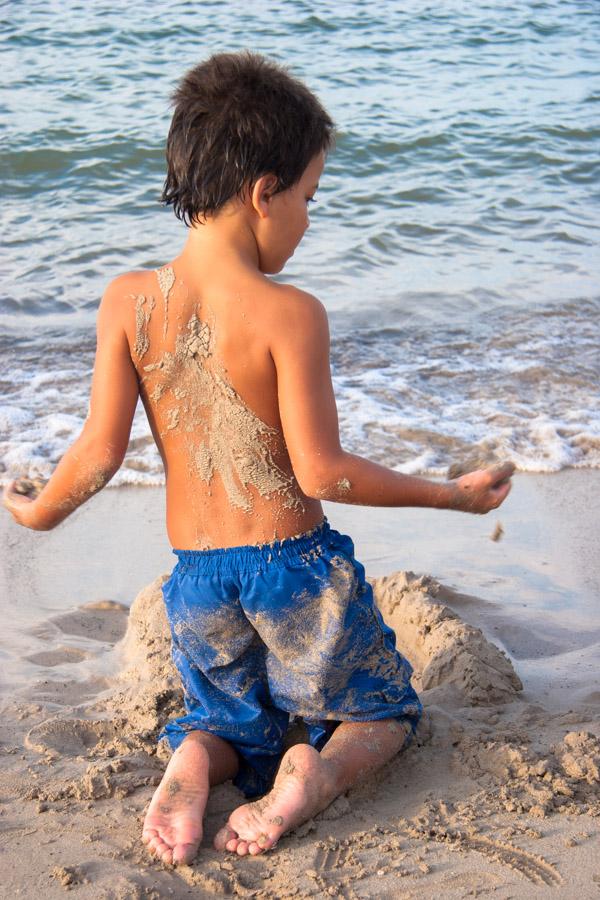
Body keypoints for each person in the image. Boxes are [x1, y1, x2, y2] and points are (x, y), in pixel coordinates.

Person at [3, 51, 513, 866]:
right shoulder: (290, 313)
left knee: (227, 723)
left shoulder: (128, 300)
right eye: (308, 197)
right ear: (262, 191)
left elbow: (98, 455)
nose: (309, 219)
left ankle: (194, 764)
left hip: (197, 580)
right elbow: (322, 474)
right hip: (295, 571)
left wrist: (33, 511)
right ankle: (318, 777)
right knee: (382, 711)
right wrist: (449, 494)